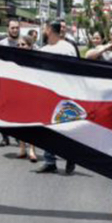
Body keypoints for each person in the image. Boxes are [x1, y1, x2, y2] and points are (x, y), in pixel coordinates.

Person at [36, 21, 80, 174]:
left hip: (64, 94)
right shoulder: (44, 49)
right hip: (48, 94)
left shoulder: (67, 48)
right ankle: (50, 160)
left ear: (48, 30)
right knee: (48, 128)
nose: (43, 30)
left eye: (44, 28)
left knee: (65, 127)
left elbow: (73, 70)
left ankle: (70, 156)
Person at [14, 35, 38, 162]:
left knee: (31, 122)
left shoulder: (36, 60)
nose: (20, 47)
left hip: (32, 94)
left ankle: (32, 149)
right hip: (19, 94)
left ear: (30, 46)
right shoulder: (13, 60)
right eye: (18, 45)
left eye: (23, 44)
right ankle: (22, 147)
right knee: (20, 122)